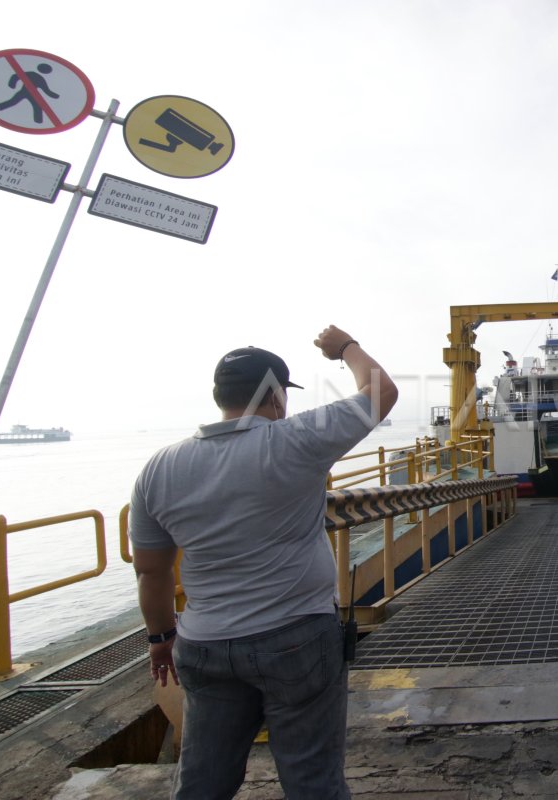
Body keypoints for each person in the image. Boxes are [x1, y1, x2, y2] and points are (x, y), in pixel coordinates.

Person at [130, 326, 397, 800]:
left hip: (203, 644)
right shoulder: (294, 440)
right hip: (296, 639)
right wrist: (345, 349)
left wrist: (160, 638)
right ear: (275, 396)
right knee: (312, 779)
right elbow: (380, 392)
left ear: (219, 395)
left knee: (203, 781)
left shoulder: (159, 467)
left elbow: (150, 570)